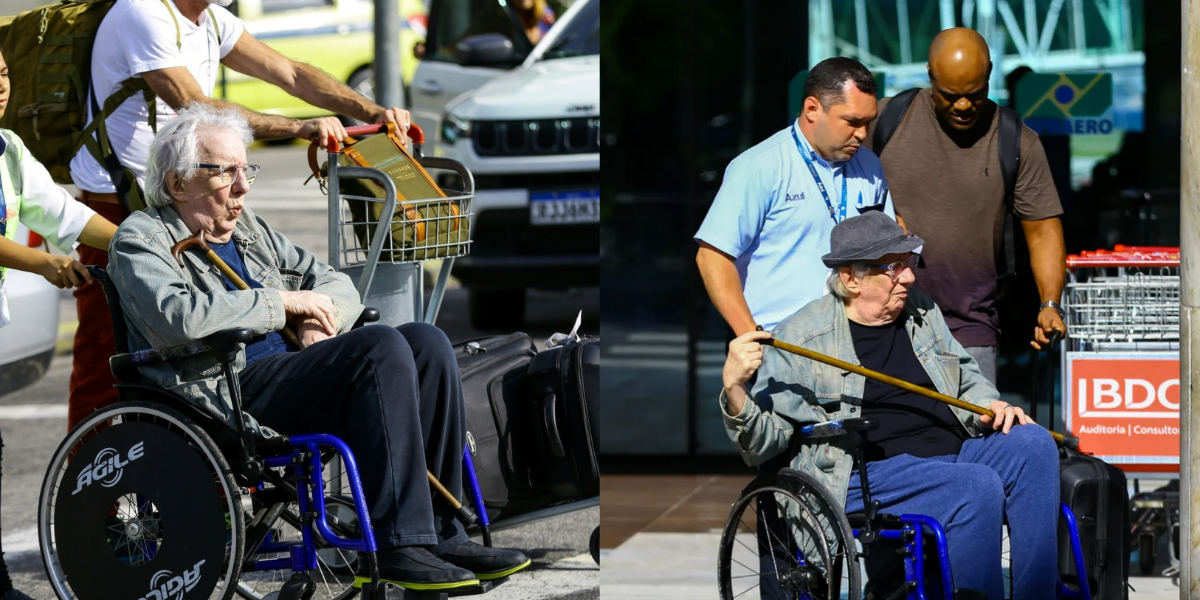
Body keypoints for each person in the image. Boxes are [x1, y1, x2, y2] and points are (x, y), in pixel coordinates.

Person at [106, 104, 530, 590]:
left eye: (247, 170)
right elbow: (177, 318)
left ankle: (440, 532)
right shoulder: (141, 238)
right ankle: (400, 546)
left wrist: (318, 322)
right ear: (178, 183)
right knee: (378, 348)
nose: (243, 187)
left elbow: (335, 284)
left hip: (291, 375)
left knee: (425, 342)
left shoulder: (249, 231)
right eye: (226, 172)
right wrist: (282, 304)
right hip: (222, 394)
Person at [68, 0, 415, 430]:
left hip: (200, 197)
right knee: (113, 360)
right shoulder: (143, 13)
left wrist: (371, 112)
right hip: (126, 202)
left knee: (405, 345)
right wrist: (298, 126)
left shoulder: (212, 20)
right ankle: (97, 481)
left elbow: (289, 72)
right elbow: (196, 107)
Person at [721, 212, 1058, 599]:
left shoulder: (921, 311)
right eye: (893, 268)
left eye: (909, 263)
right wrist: (735, 388)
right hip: (866, 473)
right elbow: (765, 443)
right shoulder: (803, 338)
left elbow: (965, 376)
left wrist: (989, 403)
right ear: (851, 279)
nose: (910, 277)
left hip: (952, 452)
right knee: (974, 484)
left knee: (1034, 443)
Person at [864, 27, 1067, 382]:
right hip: (881, 316)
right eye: (950, 95)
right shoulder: (883, 122)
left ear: (989, 74)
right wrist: (879, 220)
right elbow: (838, 197)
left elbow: (1043, 230)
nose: (963, 106)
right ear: (930, 74)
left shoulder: (1016, 141)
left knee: (972, 433)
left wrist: (1049, 304)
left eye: (975, 95)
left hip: (971, 325)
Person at [0, 47, 118, 600]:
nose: (0, 87)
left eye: (2, 74)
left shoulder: (8, 147)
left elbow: (63, 214)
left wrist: (141, 245)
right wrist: (44, 262)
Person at [695, 56, 897, 336]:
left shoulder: (870, 165)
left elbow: (888, 249)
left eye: (868, 123)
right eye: (851, 121)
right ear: (812, 108)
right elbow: (712, 257)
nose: (862, 134)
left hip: (855, 342)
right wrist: (751, 336)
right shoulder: (759, 166)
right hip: (780, 345)